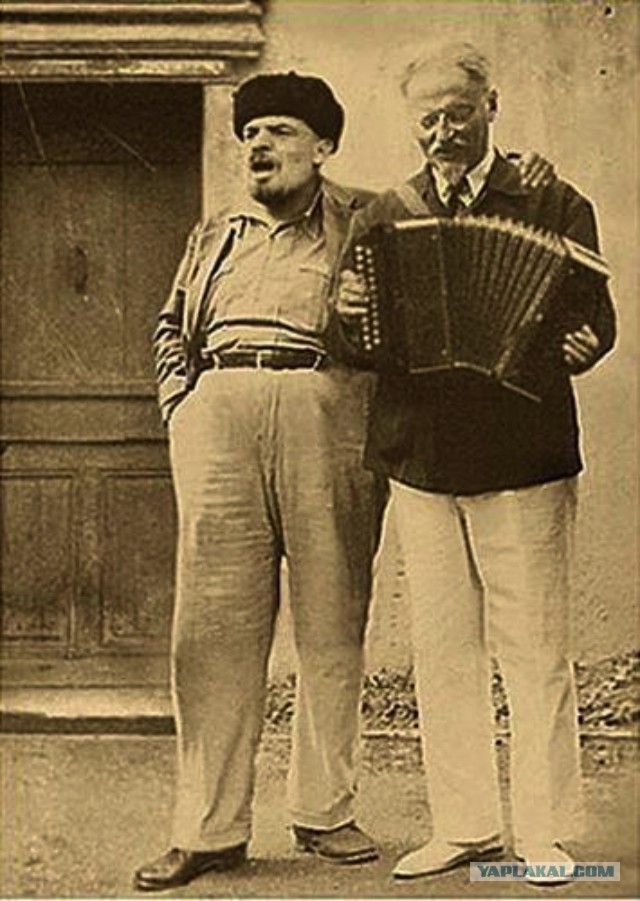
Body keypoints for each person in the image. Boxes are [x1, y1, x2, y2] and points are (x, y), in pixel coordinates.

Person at [135, 69, 556, 892]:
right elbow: (169, 324)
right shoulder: (214, 233)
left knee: (332, 619)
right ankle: (208, 828)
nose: (259, 145)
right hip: (219, 416)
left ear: (323, 147)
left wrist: (528, 174)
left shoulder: (371, 214)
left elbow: (453, 229)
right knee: (210, 633)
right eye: (250, 134)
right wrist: (181, 406)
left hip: (327, 412)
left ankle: (324, 809)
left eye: (280, 131)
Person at [332, 42, 616, 884]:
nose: (442, 133)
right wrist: (346, 312)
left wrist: (586, 342)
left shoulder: (554, 200)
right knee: (443, 648)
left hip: (522, 452)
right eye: (428, 118)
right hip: (422, 456)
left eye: (458, 114)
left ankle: (544, 831)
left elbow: (594, 318)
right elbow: (348, 335)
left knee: (534, 649)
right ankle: (463, 824)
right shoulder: (384, 213)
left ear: (491, 106)